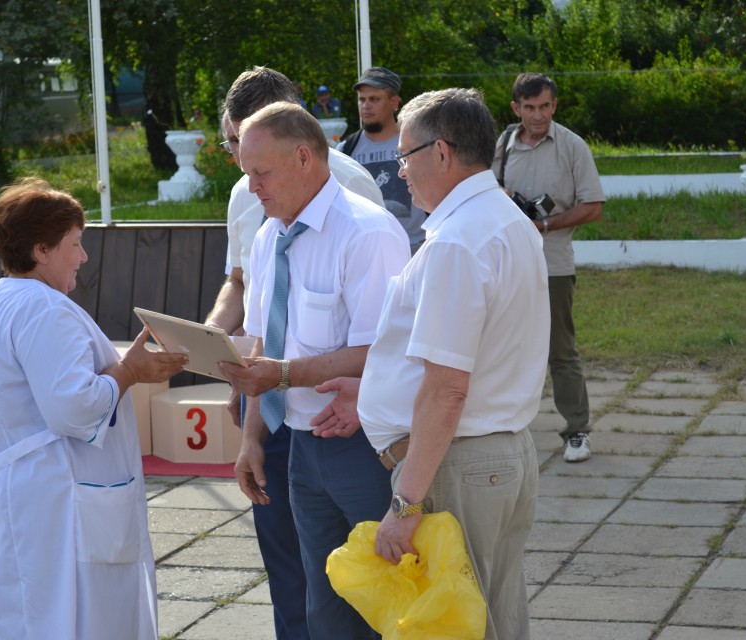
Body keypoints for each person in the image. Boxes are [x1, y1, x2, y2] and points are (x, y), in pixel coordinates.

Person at [310, 88, 550, 640]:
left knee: (458, 626)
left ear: (441, 153)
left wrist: (405, 501)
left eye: (405, 156)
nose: (400, 173)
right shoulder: (502, 220)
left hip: (460, 463)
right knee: (492, 617)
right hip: (496, 453)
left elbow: (447, 390)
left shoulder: (458, 242)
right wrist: (374, 385)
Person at [0, 178, 187, 640]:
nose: (82, 257)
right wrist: (130, 372)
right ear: (42, 250)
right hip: (57, 500)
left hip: (14, 492)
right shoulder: (45, 309)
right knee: (75, 621)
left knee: (26, 619)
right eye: (75, 244)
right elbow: (74, 408)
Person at [204, 66, 385, 640]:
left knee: (380, 595)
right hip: (295, 443)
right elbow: (263, 339)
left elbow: (384, 347)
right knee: (315, 601)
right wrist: (253, 435)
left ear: (304, 156)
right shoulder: (267, 231)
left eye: (258, 171)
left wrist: (284, 374)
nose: (249, 188)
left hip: (355, 439)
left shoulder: (364, 226)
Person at [493, 72, 605, 463]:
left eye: (544, 106)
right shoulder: (504, 145)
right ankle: (503, 427)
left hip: (553, 264)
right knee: (504, 349)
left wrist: (542, 223)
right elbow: (484, 192)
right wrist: (507, 197)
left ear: (554, 105)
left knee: (561, 352)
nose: (537, 116)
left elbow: (593, 206)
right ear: (515, 108)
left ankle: (577, 431)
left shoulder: (573, 146)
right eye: (528, 108)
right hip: (508, 265)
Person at [338, 67, 427, 252]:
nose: (366, 105)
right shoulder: (346, 150)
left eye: (374, 99)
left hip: (414, 249)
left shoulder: (416, 143)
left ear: (394, 102)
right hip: (366, 250)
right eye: (362, 99)